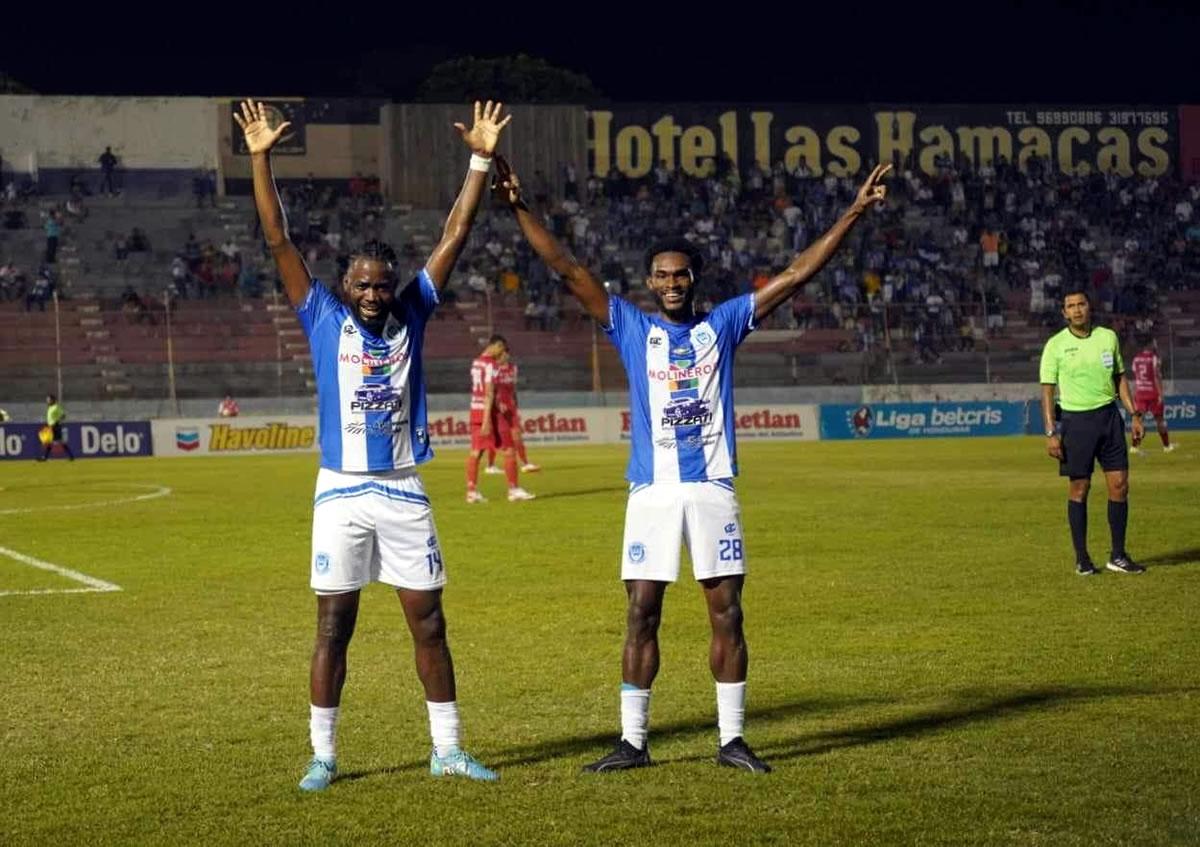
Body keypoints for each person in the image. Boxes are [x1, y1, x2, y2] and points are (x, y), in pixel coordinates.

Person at [493, 154, 890, 773]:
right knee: (640, 611)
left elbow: (793, 275)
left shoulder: (725, 324)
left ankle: (731, 739)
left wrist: (854, 212)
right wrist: (518, 205)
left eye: (680, 275)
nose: (672, 283)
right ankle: (633, 742)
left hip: (710, 490)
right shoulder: (630, 326)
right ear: (650, 283)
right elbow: (568, 269)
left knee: (727, 610)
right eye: (661, 276)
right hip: (651, 492)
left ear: (694, 279)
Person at [236, 97, 510, 792]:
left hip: (402, 489)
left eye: (382, 284)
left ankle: (446, 749)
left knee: (430, 623)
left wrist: (480, 157)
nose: (373, 292)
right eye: (362, 283)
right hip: (340, 492)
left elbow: (455, 231)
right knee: (334, 627)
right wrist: (261, 157)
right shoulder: (324, 318)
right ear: (345, 286)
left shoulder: (412, 313)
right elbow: (278, 241)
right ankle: (323, 754)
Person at [1039, 288, 1145, 576]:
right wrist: (1051, 431)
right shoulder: (1055, 345)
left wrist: (1134, 414)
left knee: (1120, 485)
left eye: (1081, 304)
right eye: (1070, 306)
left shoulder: (1107, 337)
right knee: (1079, 488)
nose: (1076, 310)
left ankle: (1118, 555)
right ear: (1064, 313)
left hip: (1109, 418)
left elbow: (1119, 378)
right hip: (1075, 422)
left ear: (1089, 307)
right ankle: (1082, 558)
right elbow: (1047, 391)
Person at [465, 335, 534, 502]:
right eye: (501, 349)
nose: (501, 353)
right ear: (496, 346)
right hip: (490, 413)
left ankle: (472, 491)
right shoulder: (491, 365)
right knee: (509, 450)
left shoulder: (476, 363)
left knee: (476, 451)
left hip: (475, 409)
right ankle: (513, 489)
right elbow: (489, 392)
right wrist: (488, 418)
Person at [484, 344, 539, 475]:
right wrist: (497, 404)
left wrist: (515, 406)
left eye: (507, 353)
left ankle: (525, 463)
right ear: (499, 355)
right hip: (498, 410)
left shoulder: (513, 368)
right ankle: (490, 465)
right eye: (504, 353)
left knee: (517, 436)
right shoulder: (493, 369)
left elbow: (512, 390)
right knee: (497, 440)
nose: (507, 356)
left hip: (511, 407)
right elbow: (491, 391)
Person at [1129, 336, 1174, 455]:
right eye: (1154, 342)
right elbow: (1156, 376)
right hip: (1153, 393)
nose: (1155, 344)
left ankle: (1134, 447)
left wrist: (1134, 392)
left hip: (1140, 393)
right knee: (1160, 420)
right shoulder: (1154, 358)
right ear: (1149, 344)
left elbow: (1136, 377)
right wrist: (1160, 393)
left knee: (1138, 420)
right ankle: (1166, 446)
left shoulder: (1136, 359)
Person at [38, 394, 75, 462]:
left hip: (55, 426)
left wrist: (56, 422)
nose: (47, 401)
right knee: (49, 442)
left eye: (48, 400)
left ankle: (71, 456)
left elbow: (63, 415)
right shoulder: (50, 408)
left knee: (60, 442)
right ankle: (44, 457)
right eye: (47, 400)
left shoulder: (56, 407)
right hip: (50, 427)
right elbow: (51, 418)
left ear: (52, 400)